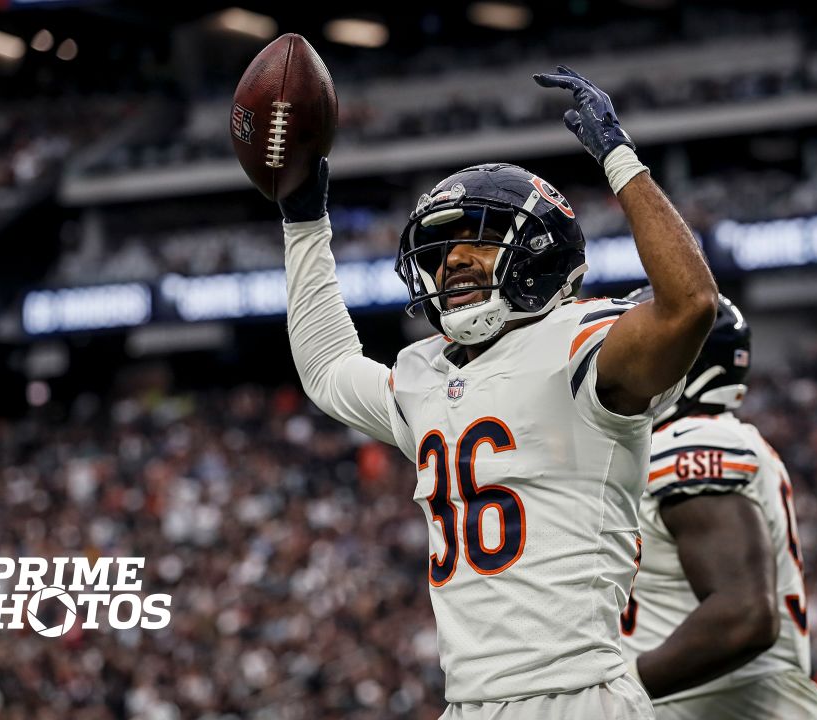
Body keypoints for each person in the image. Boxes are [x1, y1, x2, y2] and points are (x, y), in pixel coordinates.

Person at [276, 66, 717, 719]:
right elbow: (326, 368)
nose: (449, 262)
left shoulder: (580, 341)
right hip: (469, 703)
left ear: (537, 250)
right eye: (438, 251)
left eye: (473, 244)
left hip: (579, 697)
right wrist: (302, 219)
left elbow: (690, 306)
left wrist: (619, 160)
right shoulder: (425, 374)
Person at [620, 288, 817, 719]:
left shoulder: (694, 441)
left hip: (727, 704)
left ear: (678, 363)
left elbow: (744, 615)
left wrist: (622, 686)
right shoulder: (715, 438)